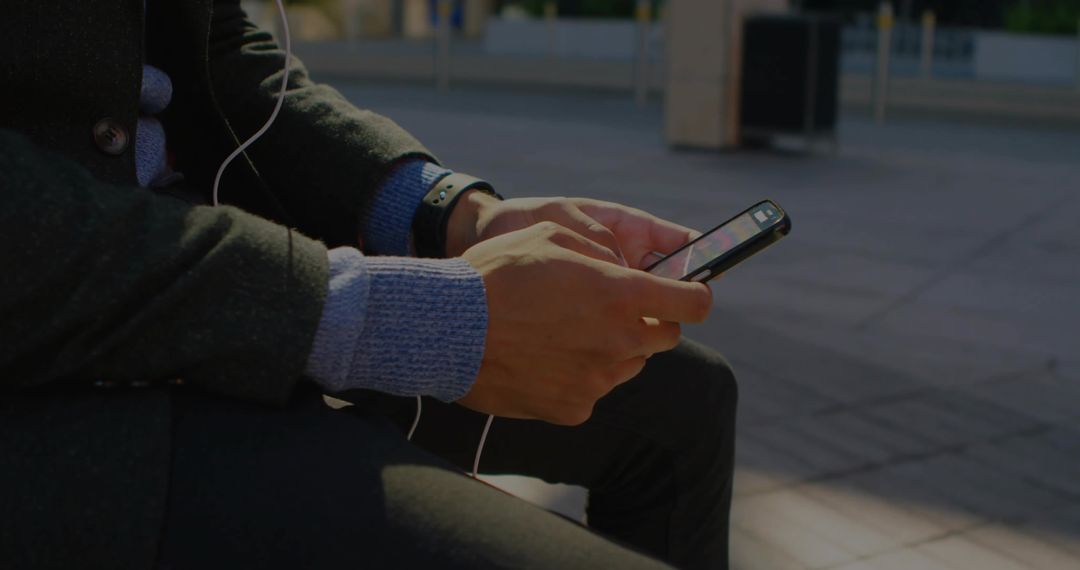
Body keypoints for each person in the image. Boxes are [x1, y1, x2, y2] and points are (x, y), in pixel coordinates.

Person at [0, 1, 738, 568]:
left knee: (681, 400)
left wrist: (457, 213)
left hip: (210, 279)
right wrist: (400, 319)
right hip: (59, 399)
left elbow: (218, 57)